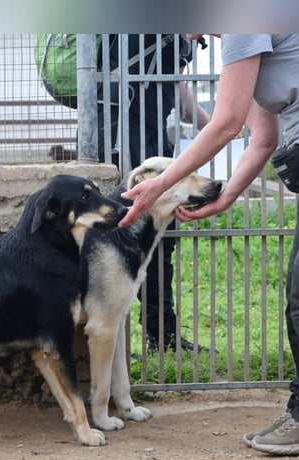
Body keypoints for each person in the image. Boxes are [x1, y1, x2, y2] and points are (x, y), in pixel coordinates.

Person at [120, 35, 299, 455]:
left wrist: (161, 184)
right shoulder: (242, 45)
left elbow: (225, 124)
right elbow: (262, 137)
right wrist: (226, 196)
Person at [98, 34, 210, 353]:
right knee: (113, 242)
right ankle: (127, 337)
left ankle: (162, 333)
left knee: (160, 240)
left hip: (148, 142)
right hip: (120, 146)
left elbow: (174, 87)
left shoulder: (172, 41)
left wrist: (211, 126)